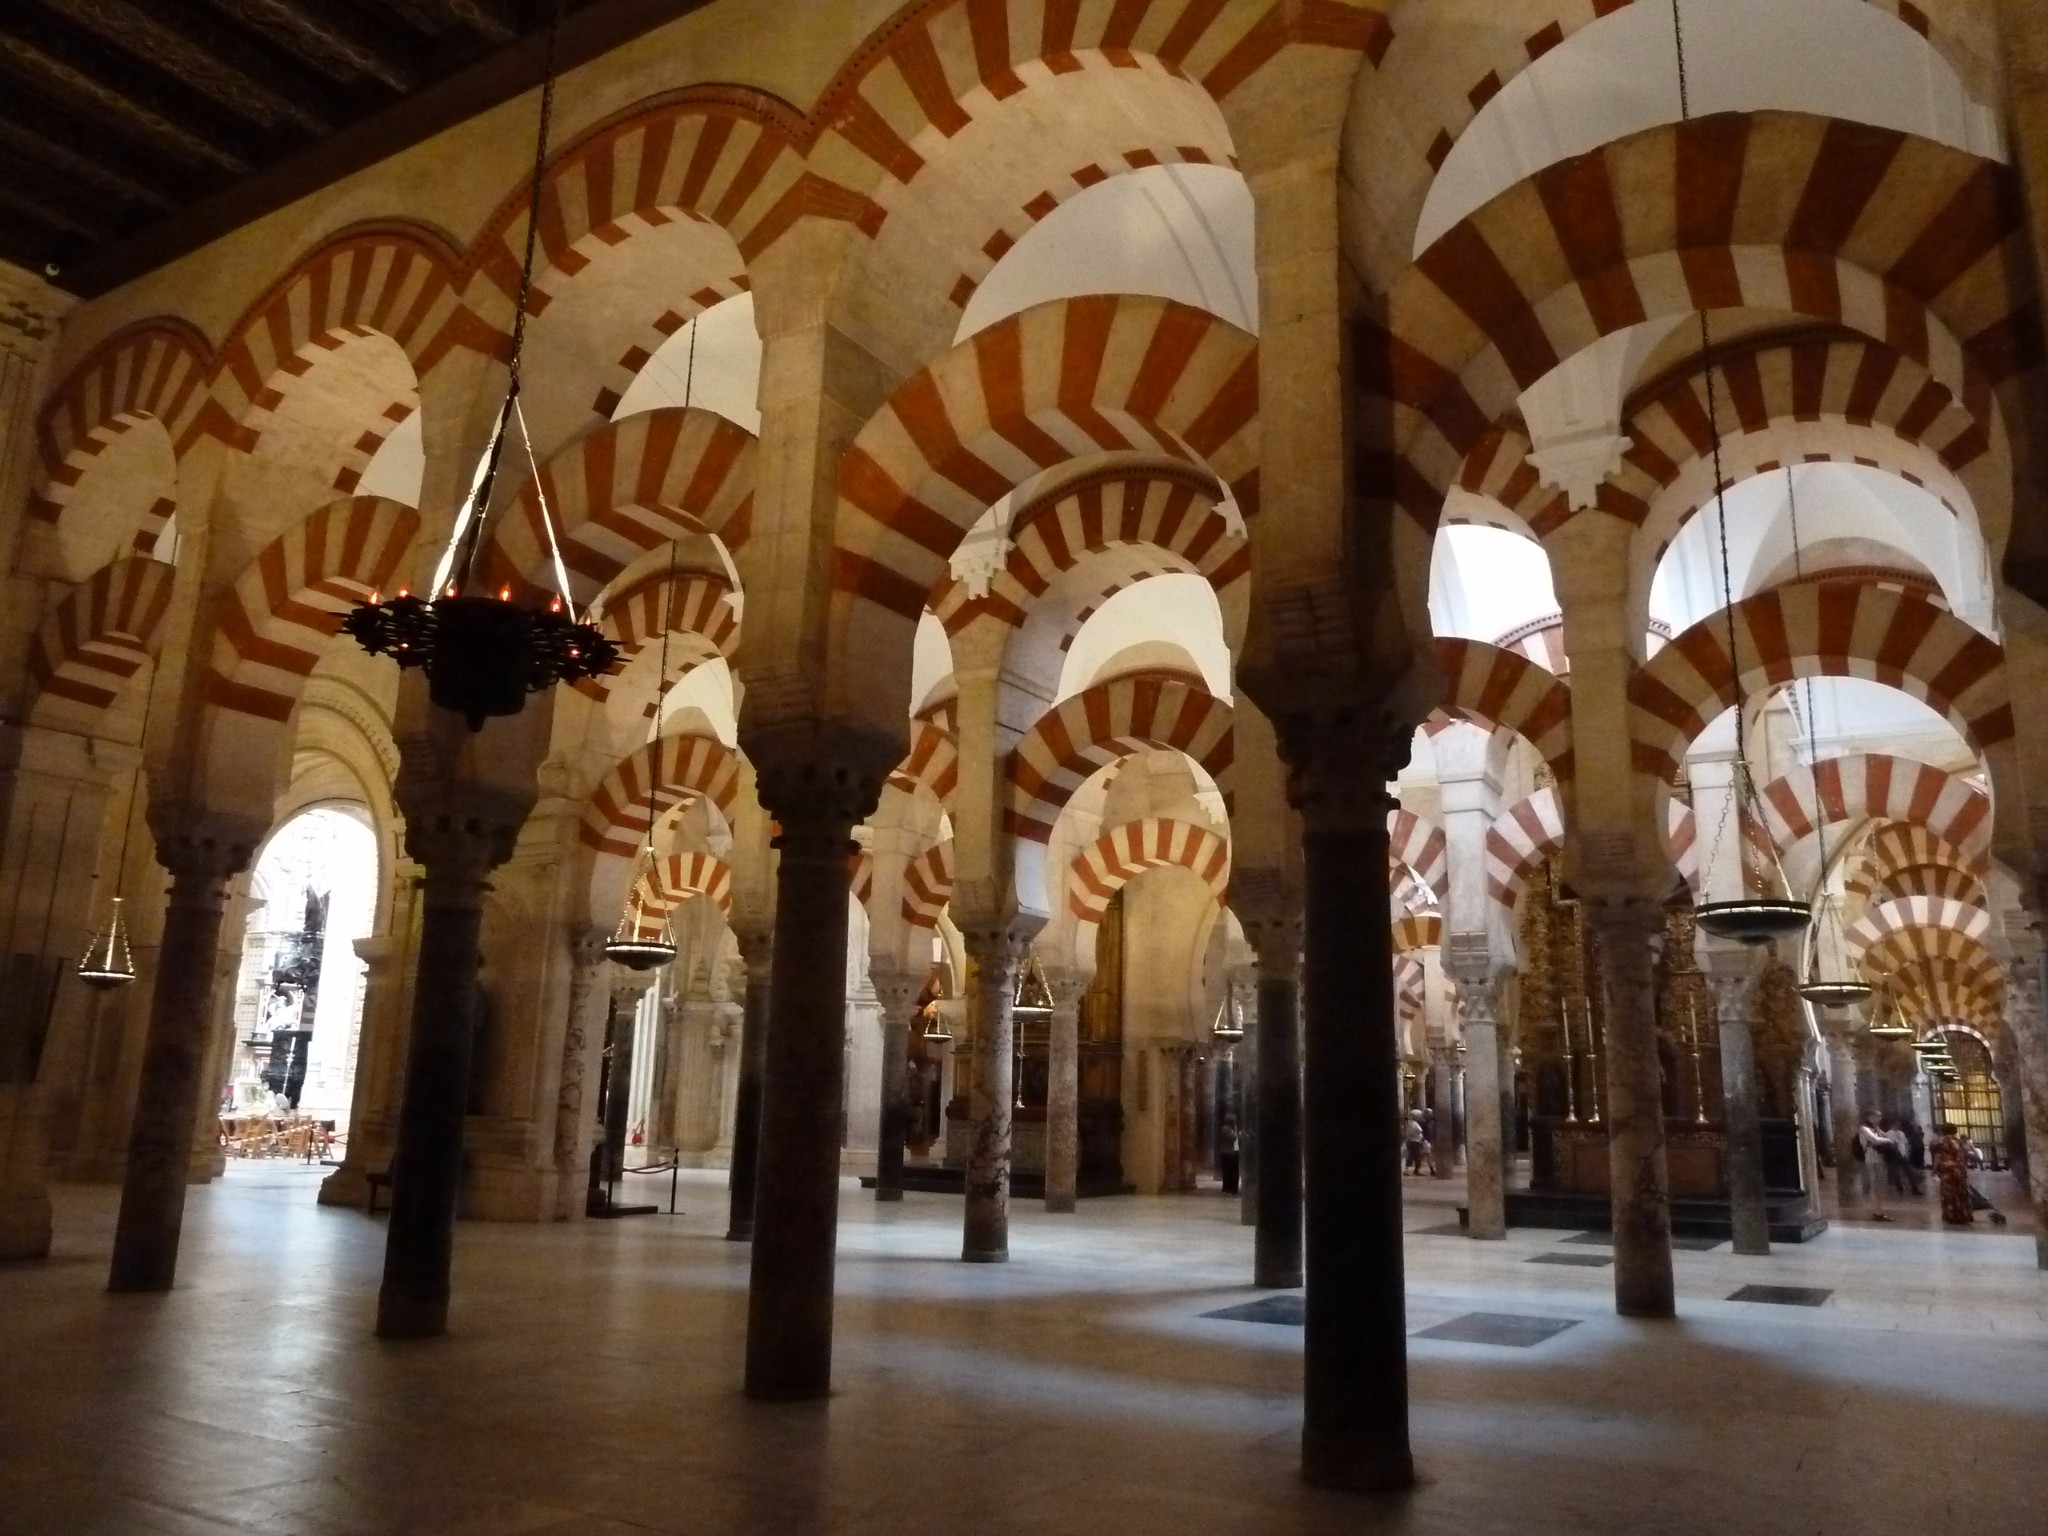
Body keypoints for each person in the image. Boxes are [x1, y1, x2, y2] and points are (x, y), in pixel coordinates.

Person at [1930, 1121, 1973, 1226]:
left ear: (1943, 1131)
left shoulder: (1939, 1142)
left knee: (1948, 1193)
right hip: (1960, 1169)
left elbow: (1938, 1156)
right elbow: (1964, 1155)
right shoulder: (1959, 1142)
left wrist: (1934, 1169)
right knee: (1961, 1192)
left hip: (1947, 1170)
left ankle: (1951, 1214)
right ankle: (1963, 1214)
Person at [1856, 1111, 1894, 1221]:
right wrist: (1889, 1141)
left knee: (1880, 1186)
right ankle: (1877, 1212)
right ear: (1870, 1117)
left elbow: (1884, 1136)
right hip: (1871, 1159)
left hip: (1879, 1158)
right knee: (1875, 1186)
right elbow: (1875, 1140)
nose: (1879, 1119)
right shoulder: (1864, 1128)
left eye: (1880, 1116)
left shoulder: (1875, 1128)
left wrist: (1880, 1132)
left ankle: (1879, 1210)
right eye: (1877, 1116)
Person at [1217, 1115, 1240, 1195]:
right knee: (1228, 1171)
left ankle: (1233, 1188)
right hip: (1228, 1153)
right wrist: (1236, 1132)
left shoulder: (1231, 1129)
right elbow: (1233, 1138)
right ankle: (1228, 1188)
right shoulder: (1226, 1128)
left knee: (1234, 1171)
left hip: (1234, 1152)